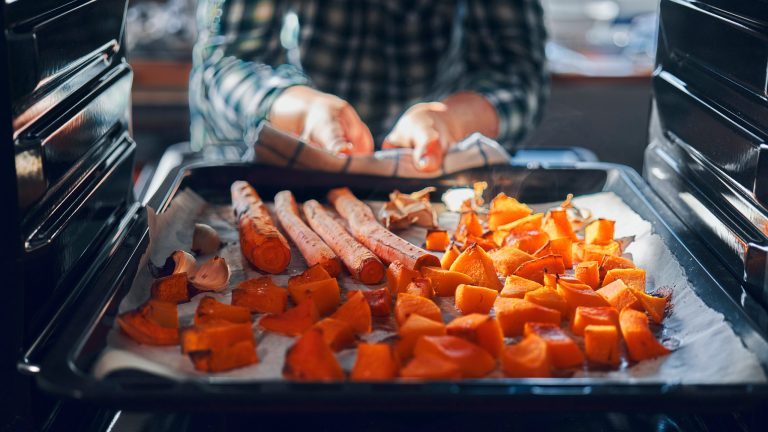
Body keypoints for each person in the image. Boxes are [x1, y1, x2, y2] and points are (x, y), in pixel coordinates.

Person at [189, 0, 547, 172]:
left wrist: (451, 121)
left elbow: (516, 71)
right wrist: (302, 108)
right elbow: (228, 62)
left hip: (435, 177)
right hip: (266, 177)